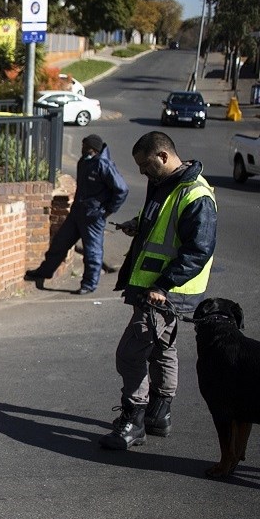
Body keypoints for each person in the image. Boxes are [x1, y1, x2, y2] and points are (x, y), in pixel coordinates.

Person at [100, 131, 217, 451]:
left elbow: (199, 249)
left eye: (144, 164)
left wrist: (163, 286)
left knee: (130, 353)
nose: (141, 172)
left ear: (163, 156)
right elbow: (162, 223)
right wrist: (138, 223)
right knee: (162, 349)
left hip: (165, 291)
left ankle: (133, 421)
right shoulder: (166, 184)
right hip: (157, 289)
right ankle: (158, 414)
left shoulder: (195, 194)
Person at [24, 134, 129, 294]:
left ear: (92, 148)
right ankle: (45, 271)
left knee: (92, 251)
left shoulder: (103, 164)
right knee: (60, 243)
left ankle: (89, 284)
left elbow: (122, 189)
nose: (81, 148)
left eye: (84, 145)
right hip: (77, 213)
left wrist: (106, 211)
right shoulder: (84, 161)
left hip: (93, 217)